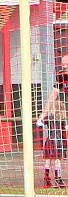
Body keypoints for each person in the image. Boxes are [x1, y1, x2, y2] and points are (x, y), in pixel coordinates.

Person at [37, 53, 68, 188]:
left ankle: (53, 178)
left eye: (66, 64)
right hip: (56, 137)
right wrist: (43, 115)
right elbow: (53, 95)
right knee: (54, 157)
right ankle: (52, 178)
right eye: (63, 64)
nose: (64, 66)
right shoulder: (61, 76)